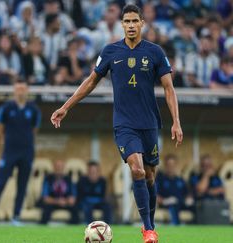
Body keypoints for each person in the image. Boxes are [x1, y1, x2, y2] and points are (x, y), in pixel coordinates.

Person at [51, 4, 182, 243]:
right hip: (124, 124)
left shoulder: (154, 52)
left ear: (142, 23)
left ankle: (149, 226)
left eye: (135, 21)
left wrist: (176, 122)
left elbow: (168, 88)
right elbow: (91, 82)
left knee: (150, 176)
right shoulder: (111, 51)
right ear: (122, 24)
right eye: (127, 22)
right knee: (137, 169)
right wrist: (65, 106)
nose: (131, 26)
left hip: (150, 123)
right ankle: (148, 229)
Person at [0, 80, 42, 226]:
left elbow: (35, 129)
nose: (20, 91)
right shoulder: (6, 108)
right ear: (14, 90)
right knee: (0, 183)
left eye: (23, 88)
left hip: (27, 152)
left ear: (27, 90)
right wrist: (3, 139)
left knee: (22, 185)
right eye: (18, 88)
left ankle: (16, 216)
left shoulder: (33, 109)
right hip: (9, 151)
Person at [156, 154, 194, 225]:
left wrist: (189, 199)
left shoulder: (180, 180)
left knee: (194, 205)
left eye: (173, 165)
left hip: (181, 203)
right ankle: (175, 225)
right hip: (167, 204)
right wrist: (164, 201)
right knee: (173, 205)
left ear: (176, 166)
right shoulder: (160, 180)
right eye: (169, 165)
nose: (171, 167)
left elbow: (187, 193)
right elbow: (155, 195)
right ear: (166, 166)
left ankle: (198, 227)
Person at [39, 159, 78, 225]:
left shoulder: (69, 179)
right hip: (52, 203)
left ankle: (71, 228)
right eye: (57, 167)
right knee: (46, 208)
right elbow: (45, 198)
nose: (59, 169)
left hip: (65, 202)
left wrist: (66, 201)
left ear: (63, 168)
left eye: (60, 167)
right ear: (54, 167)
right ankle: (43, 228)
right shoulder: (48, 179)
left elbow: (73, 199)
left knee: (75, 209)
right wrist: (57, 201)